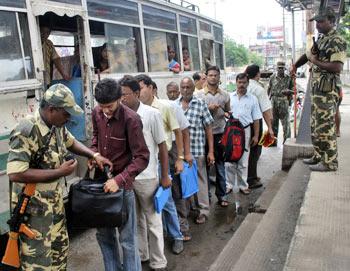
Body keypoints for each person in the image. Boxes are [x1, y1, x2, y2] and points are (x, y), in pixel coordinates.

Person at [7, 83, 112, 270]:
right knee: (38, 263)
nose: (69, 117)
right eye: (66, 113)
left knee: (59, 256)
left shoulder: (56, 125)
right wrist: (60, 172)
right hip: (33, 212)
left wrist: (93, 155)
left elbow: (71, 142)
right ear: (51, 109)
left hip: (54, 206)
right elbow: (16, 173)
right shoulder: (26, 129)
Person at [91, 78, 150, 271]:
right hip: (101, 187)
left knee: (127, 240)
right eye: (102, 106)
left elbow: (142, 157)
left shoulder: (131, 119)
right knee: (105, 237)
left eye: (109, 106)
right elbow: (94, 138)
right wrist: (94, 154)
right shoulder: (96, 113)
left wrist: (119, 179)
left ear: (119, 99)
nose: (105, 111)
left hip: (122, 189)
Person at [119, 75, 169, 270]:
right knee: (135, 221)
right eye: (119, 95)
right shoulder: (119, 115)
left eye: (125, 95)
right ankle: (142, 255)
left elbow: (162, 146)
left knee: (153, 221)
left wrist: (164, 176)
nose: (121, 99)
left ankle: (159, 262)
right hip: (128, 177)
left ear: (137, 93)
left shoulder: (151, 114)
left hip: (148, 177)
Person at [135, 74, 186, 256]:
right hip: (142, 165)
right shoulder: (133, 110)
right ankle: (149, 248)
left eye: (140, 88)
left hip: (161, 160)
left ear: (151, 88)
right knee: (145, 209)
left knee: (166, 201)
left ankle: (176, 236)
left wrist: (180, 157)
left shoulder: (164, 108)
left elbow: (178, 132)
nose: (138, 93)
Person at [292, 7, 347, 172]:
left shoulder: (337, 40)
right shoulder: (322, 39)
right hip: (318, 91)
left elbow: (336, 67)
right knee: (315, 126)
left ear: (332, 21)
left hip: (327, 92)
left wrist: (315, 62)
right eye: (316, 22)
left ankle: (330, 163)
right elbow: (309, 55)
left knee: (325, 127)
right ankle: (318, 155)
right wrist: (295, 65)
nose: (317, 25)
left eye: (321, 21)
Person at [177, 77, 215, 224]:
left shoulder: (200, 104)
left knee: (200, 181)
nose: (185, 90)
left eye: (188, 87)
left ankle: (203, 210)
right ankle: (188, 209)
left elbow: (209, 129)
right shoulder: (175, 105)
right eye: (183, 87)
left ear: (193, 89)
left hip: (197, 151)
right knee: (184, 181)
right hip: (180, 153)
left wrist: (210, 151)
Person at [196, 66, 230, 207]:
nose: (213, 77)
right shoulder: (198, 95)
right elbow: (195, 115)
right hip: (202, 136)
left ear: (219, 77)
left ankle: (222, 195)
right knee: (204, 167)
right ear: (206, 76)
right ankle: (206, 196)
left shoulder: (225, 95)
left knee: (220, 166)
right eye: (210, 75)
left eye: (216, 75)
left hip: (220, 134)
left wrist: (226, 113)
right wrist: (207, 109)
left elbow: (228, 111)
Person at [225, 73, 261, 196]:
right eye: (239, 82)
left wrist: (256, 136)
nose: (241, 85)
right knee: (229, 159)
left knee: (243, 160)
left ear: (248, 83)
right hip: (231, 131)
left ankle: (243, 185)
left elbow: (256, 119)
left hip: (245, 131)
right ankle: (228, 185)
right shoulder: (229, 97)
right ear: (236, 83)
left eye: (244, 82)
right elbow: (224, 113)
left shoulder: (253, 99)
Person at [166, 81, 193, 242]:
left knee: (177, 193)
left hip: (173, 154)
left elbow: (184, 132)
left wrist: (182, 156)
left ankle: (182, 230)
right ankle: (168, 231)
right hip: (155, 160)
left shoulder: (171, 107)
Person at [245, 64, 274, 189]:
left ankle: (250, 175)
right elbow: (266, 111)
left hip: (243, 123)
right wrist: (270, 129)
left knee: (245, 151)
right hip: (255, 123)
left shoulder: (244, 85)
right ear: (258, 74)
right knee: (255, 151)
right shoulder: (259, 89)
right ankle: (251, 178)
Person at [267, 61, 293, 144]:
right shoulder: (272, 77)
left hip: (284, 100)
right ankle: (273, 142)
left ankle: (287, 142)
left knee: (286, 123)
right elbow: (269, 88)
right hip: (274, 100)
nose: (281, 69)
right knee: (273, 122)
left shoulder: (288, 78)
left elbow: (294, 90)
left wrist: (289, 92)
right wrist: (268, 99)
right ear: (276, 68)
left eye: (282, 68)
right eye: (279, 68)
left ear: (284, 68)